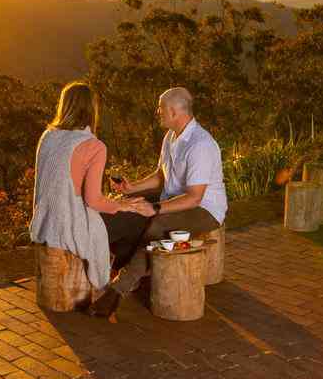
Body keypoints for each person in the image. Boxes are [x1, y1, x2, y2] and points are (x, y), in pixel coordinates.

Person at [90, 86, 228, 317]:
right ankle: (130, 262)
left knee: (158, 225)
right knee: (130, 205)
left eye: (161, 108)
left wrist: (155, 208)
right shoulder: (171, 137)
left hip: (204, 209)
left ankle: (118, 290)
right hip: (173, 199)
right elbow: (161, 175)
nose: (157, 112)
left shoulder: (201, 144)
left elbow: (195, 197)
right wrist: (132, 187)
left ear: (174, 112)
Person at [30, 81, 154, 298]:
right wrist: (122, 204)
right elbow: (93, 201)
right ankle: (117, 281)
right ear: (92, 109)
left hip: (44, 223)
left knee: (124, 214)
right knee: (138, 219)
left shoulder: (47, 136)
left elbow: (41, 186)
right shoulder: (93, 145)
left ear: (64, 105)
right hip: (70, 226)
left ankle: (113, 272)